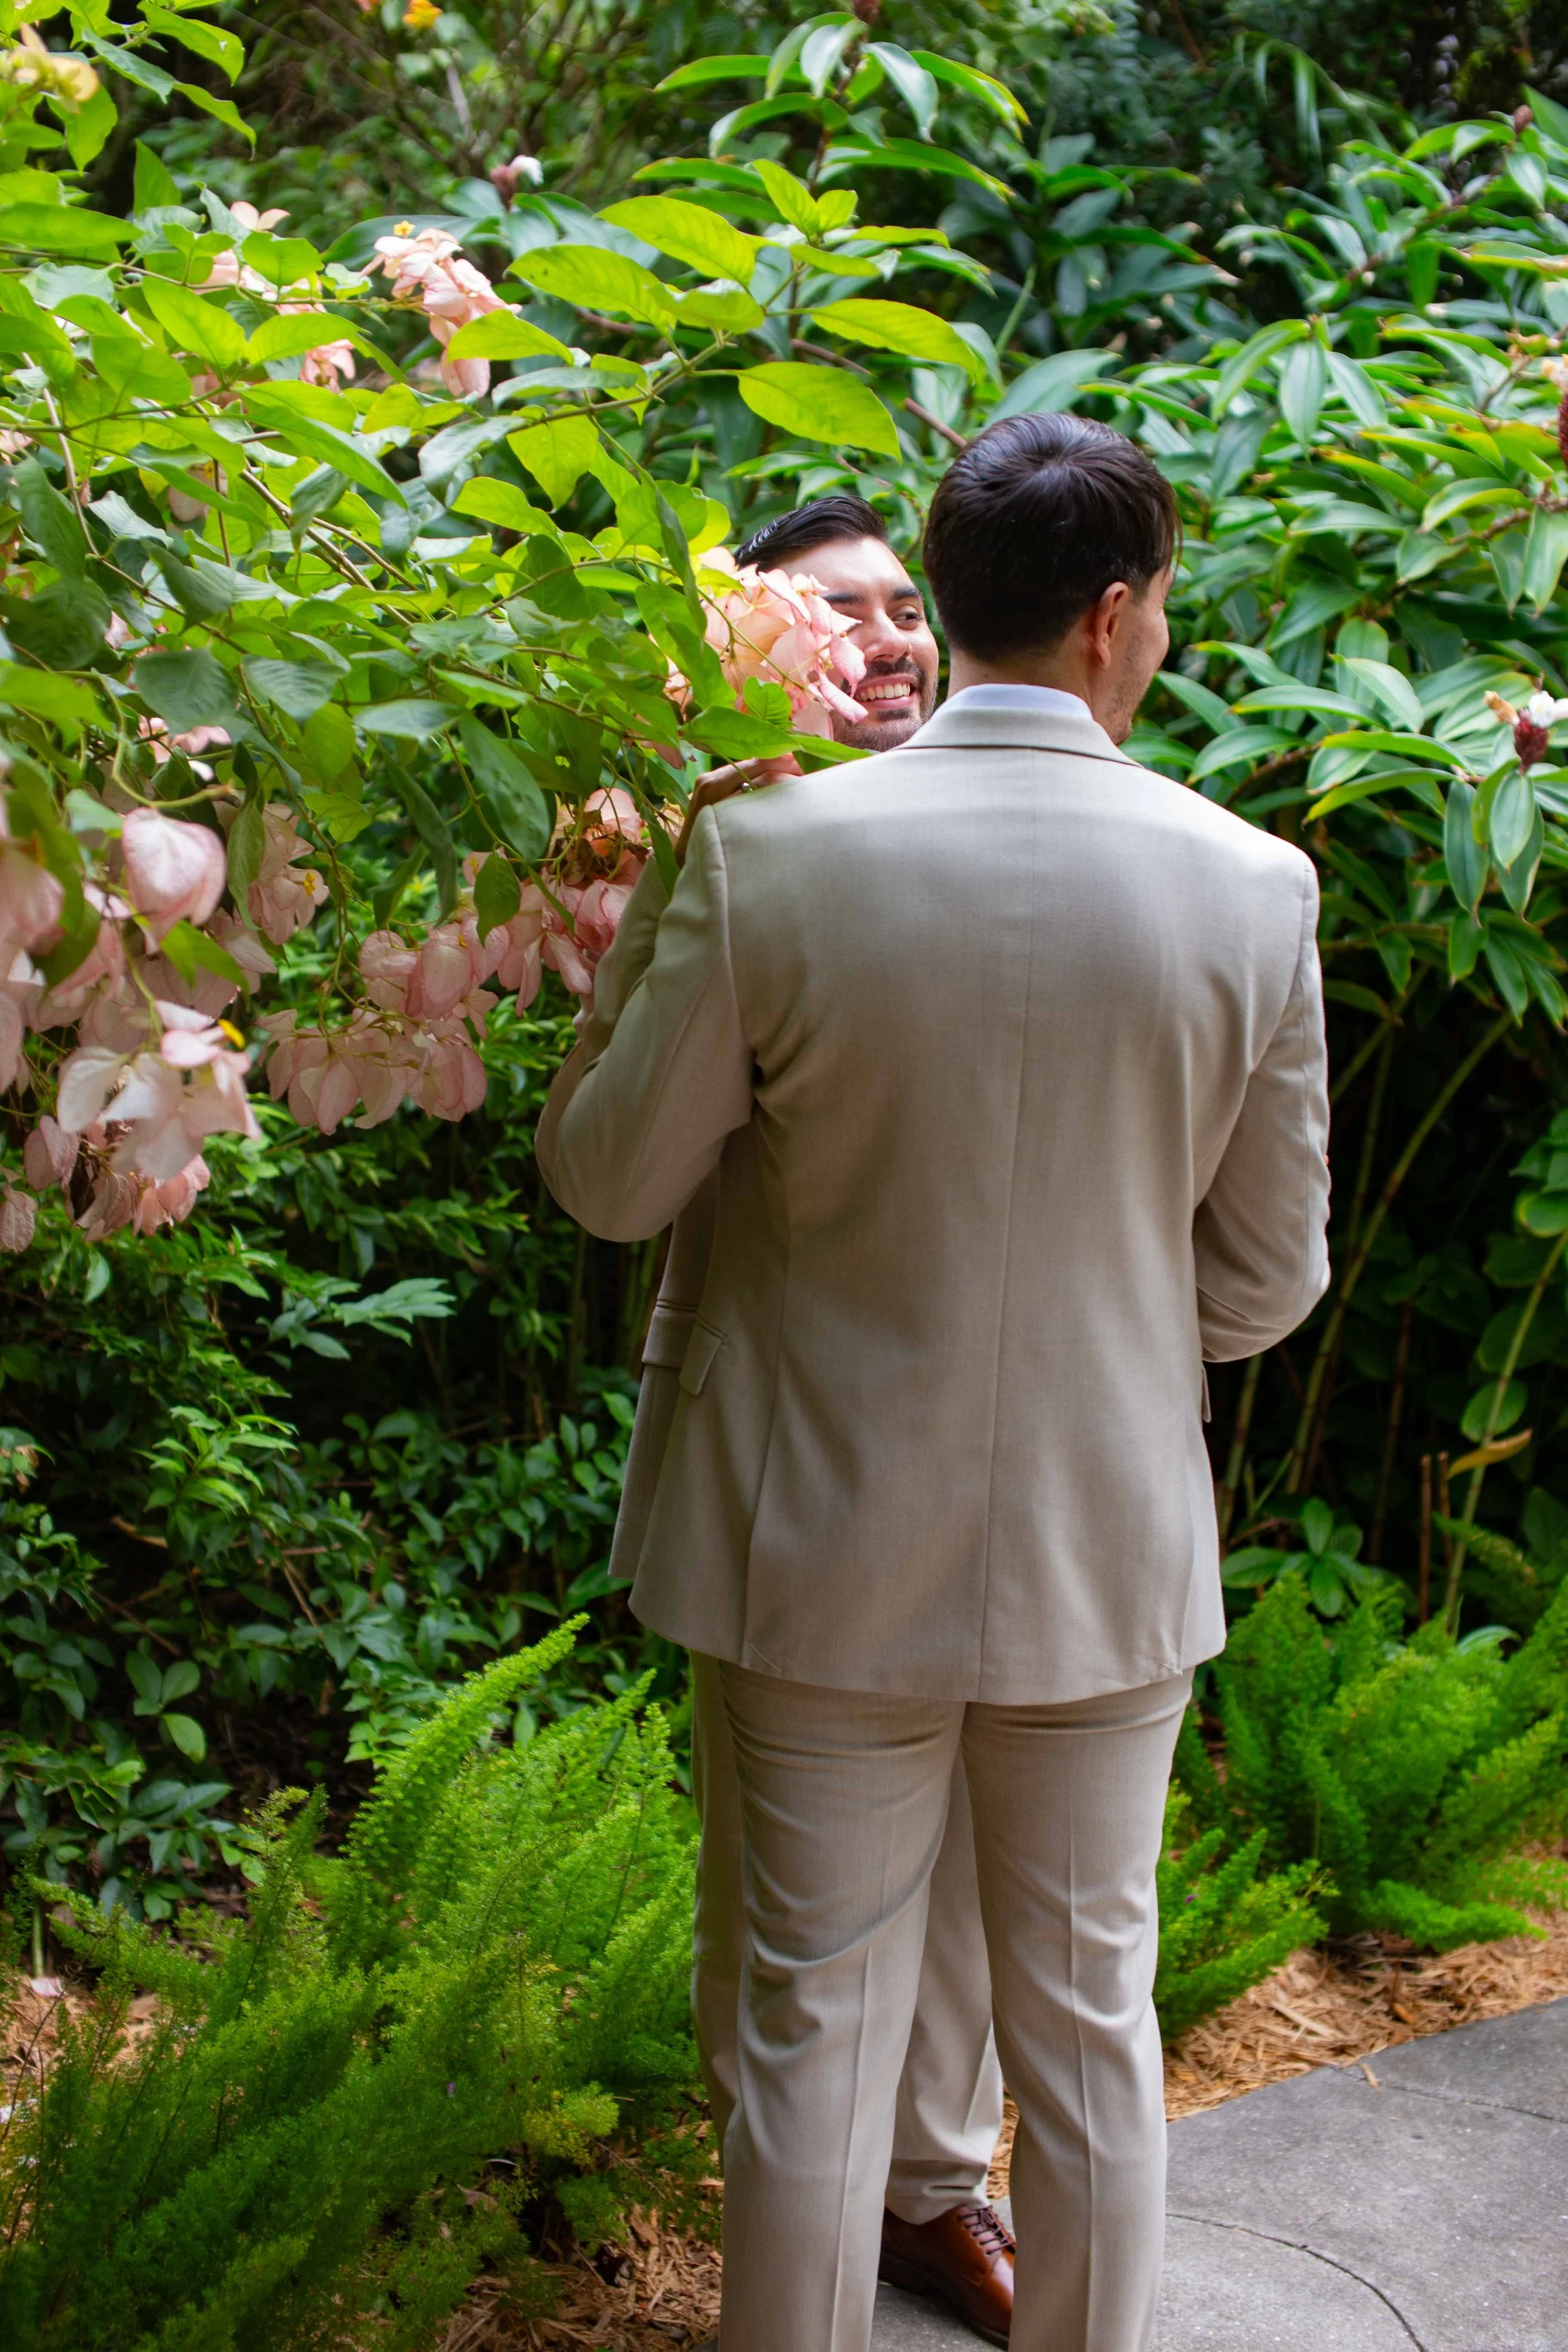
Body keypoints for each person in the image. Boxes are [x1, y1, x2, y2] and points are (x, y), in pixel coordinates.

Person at [537, 414, 1332, 2352]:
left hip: (810, 1547)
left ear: (951, 603)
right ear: (1114, 616)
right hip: (1105, 1543)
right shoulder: (1252, 887)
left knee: (807, 2020)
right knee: (1087, 2019)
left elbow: (611, 1180)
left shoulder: (765, 851)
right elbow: (1263, 1284)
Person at [551, 494, 1019, 2346]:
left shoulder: (1050, 833)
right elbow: (617, 1176)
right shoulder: (730, 852)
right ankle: (803, 2223)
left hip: (1026, 1459)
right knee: (795, 1909)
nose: (889, 640)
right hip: (800, 1468)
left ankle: (932, 2189)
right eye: (839, 615)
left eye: (908, 607)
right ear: (749, 650)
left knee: (993, 1866)